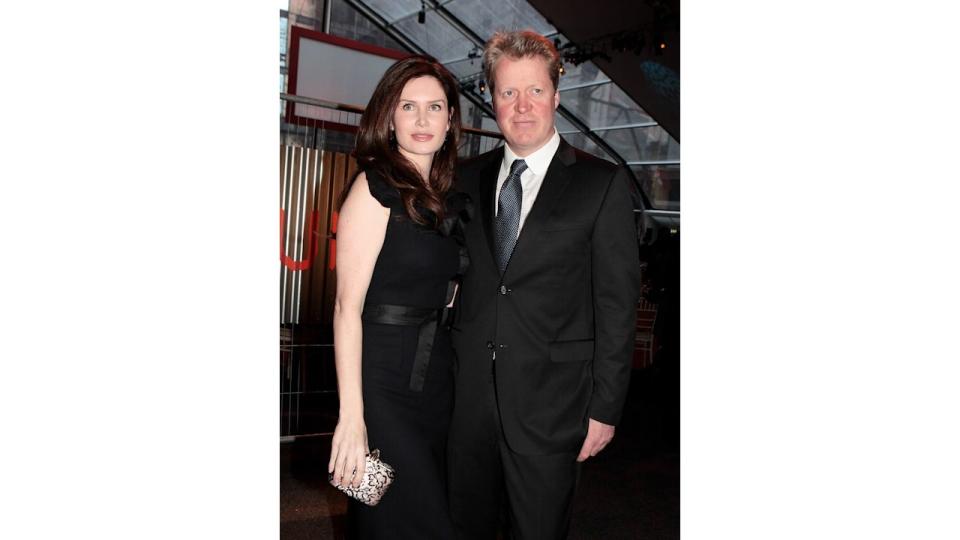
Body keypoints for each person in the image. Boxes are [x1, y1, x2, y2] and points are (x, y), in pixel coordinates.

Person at [447, 31, 641, 539]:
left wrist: (604, 408)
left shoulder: (601, 184)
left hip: (553, 409)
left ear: (556, 96)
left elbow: (617, 305)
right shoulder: (464, 179)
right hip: (466, 407)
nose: (523, 106)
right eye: (508, 93)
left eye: (534, 91)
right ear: (492, 100)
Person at [328, 54, 469, 539]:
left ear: (451, 121)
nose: (423, 119)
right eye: (409, 107)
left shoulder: (451, 195)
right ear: (390, 117)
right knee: (402, 516)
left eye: (435, 107)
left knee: (418, 514)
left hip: (436, 378)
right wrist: (352, 417)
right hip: (384, 382)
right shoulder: (374, 188)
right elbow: (347, 309)